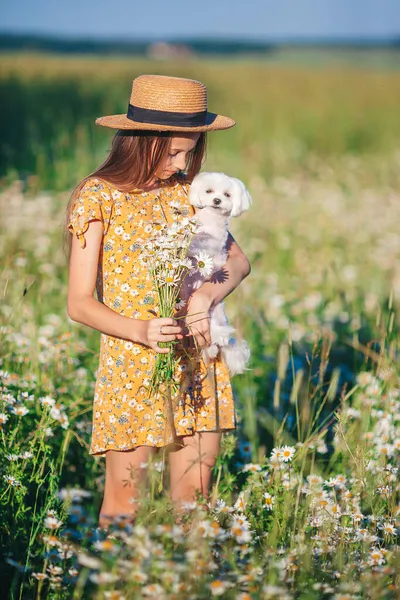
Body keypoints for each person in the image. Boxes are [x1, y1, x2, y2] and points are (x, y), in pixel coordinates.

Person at [64, 74, 251, 528]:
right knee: (123, 506)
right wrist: (140, 330)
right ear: (138, 142)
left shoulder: (187, 193)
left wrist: (206, 296)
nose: (182, 162)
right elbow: (79, 303)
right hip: (132, 365)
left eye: (190, 151)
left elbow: (239, 262)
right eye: (172, 152)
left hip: (196, 361)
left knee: (193, 506)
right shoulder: (98, 196)